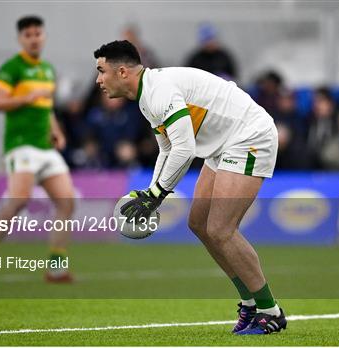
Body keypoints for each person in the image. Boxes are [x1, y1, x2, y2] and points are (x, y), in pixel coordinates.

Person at [94, 40, 285, 335]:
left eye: (101, 71)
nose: (98, 80)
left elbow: (185, 149)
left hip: (249, 134)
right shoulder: (147, 96)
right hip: (223, 142)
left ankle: (270, 310)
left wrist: (157, 194)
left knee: (221, 230)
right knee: (198, 223)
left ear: (121, 72)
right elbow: (168, 149)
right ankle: (248, 302)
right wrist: (150, 193)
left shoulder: (159, 91)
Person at [0, 16, 74, 283]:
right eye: (28, 35)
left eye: (38, 33)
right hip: (21, 146)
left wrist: (56, 131)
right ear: (20, 39)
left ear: (44, 36)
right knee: (18, 202)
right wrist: (23, 98)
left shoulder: (48, 69)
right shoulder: (12, 68)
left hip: (44, 147)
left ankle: (56, 268)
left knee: (67, 203)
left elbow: (46, 106)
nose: (34, 38)